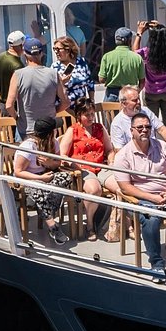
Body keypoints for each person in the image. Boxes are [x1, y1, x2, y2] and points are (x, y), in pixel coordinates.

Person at [112, 111, 166, 279]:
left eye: (147, 127)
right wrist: (152, 198)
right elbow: (125, 188)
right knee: (151, 217)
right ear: (131, 130)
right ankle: (157, 263)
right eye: (140, 127)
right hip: (141, 198)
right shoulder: (123, 155)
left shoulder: (163, 146)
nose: (144, 130)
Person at [14, 116, 73, 245]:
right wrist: (40, 178)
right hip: (28, 181)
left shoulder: (54, 143)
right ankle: (53, 226)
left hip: (46, 178)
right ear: (49, 133)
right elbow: (18, 172)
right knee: (40, 188)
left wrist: (50, 163)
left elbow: (57, 164)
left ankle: (44, 207)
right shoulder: (28, 147)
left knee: (66, 177)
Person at [58, 96, 110, 240]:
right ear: (79, 116)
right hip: (82, 169)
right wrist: (74, 165)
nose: (91, 117)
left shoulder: (100, 128)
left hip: (101, 166)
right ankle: (90, 225)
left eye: (92, 114)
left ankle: (123, 224)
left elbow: (110, 149)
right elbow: (62, 154)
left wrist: (111, 160)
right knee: (95, 190)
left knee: (121, 185)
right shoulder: (73, 130)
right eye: (87, 114)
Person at [5, 37, 69, 136]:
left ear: (25, 53)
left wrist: (17, 118)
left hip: (26, 129)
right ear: (41, 53)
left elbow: (9, 105)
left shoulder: (18, 75)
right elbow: (65, 102)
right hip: (48, 128)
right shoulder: (53, 74)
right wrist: (53, 112)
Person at [138, 22, 166, 138]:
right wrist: (161, 27)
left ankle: (152, 149)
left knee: (150, 123)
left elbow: (134, 53)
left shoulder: (147, 52)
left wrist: (139, 33)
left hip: (151, 93)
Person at [109, 86, 166, 154]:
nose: (139, 102)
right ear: (124, 104)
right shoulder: (117, 123)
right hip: (134, 159)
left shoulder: (146, 111)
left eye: (139, 99)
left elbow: (162, 130)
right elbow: (120, 151)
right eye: (134, 100)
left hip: (155, 153)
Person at [97, 27, 144, 101]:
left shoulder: (107, 56)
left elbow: (101, 79)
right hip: (130, 95)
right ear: (129, 40)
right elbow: (142, 81)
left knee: (111, 113)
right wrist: (136, 92)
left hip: (112, 95)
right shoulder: (137, 58)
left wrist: (112, 80)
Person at [52, 35, 93, 107]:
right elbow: (50, 91)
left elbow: (90, 84)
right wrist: (61, 83)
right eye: (54, 49)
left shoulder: (81, 62)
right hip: (65, 110)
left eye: (58, 49)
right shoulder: (55, 67)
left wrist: (91, 102)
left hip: (82, 108)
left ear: (68, 50)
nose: (56, 52)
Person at [0, 30, 27, 100]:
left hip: (1, 100)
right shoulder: (18, 66)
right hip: (13, 104)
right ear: (22, 45)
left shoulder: (1, 56)